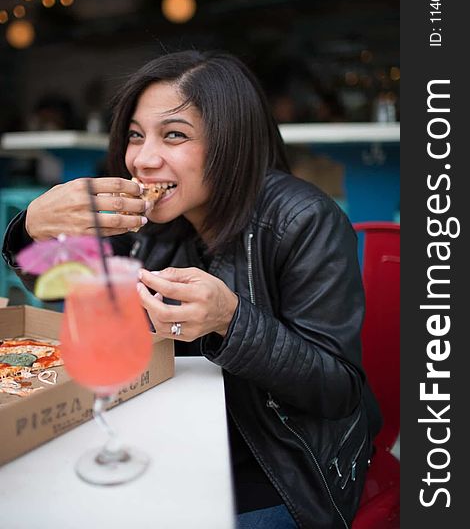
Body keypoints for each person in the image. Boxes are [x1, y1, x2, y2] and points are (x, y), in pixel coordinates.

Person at [2, 50, 381, 529]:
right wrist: (30, 229)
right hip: (175, 431)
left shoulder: (303, 219)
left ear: (232, 144)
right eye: (136, 135)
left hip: (283, 465)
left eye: (174, 135)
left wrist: (231, 319)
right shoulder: (148, 221)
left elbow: (338, 389)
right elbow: (73, 296)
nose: (142, 159)